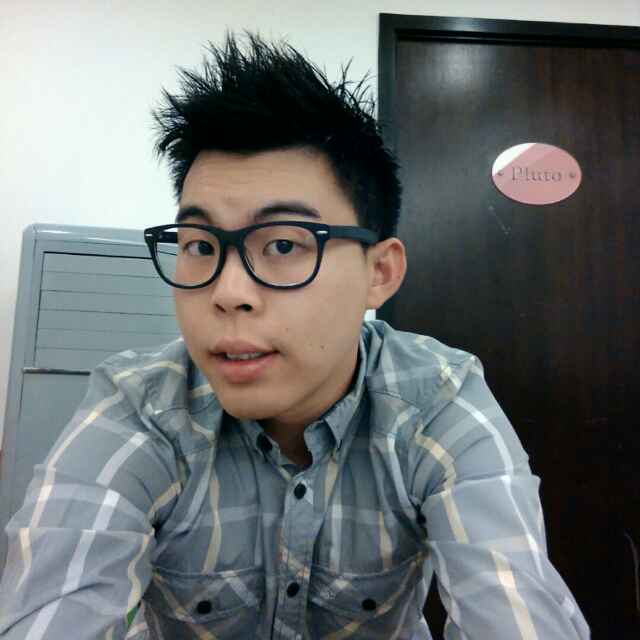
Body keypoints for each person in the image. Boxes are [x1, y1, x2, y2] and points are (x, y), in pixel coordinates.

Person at [0, 33, 589, 639]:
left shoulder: (436, 403)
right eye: (200, 245)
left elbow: (515, 609)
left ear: (379, 273)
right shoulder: (140, 407)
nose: (228, 291)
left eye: (283, 244)